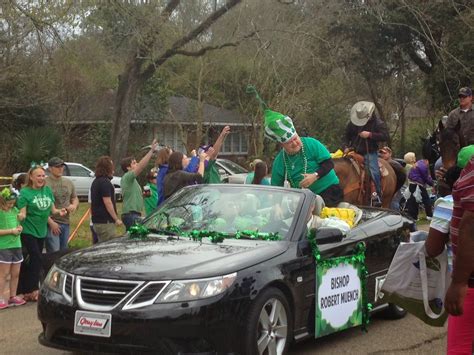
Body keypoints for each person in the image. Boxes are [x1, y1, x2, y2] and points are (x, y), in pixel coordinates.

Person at [425, 144, 474, 354]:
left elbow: (471, 225)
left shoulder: (448, 202)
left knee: (459, 347)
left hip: (471, 281)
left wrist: (459, 281)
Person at [16, 164, 66, 302]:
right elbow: (23, 212)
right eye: (38, 176)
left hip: (41, 231)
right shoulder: (25, 193)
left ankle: (28, 288)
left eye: (43, 176)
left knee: (35, 260)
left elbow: (53, 210)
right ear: (31, 177)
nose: (41, 178)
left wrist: (59, 212)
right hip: (28, 230)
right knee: (36, 257)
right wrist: (20, 216)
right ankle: (33, 289)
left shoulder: (47, 191)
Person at [343, 101, 390, 205]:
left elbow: (385, 136)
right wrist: (345, 146)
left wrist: (370, 135)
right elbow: (346, 136)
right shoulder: (352, 123)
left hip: (369, 152)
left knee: (374, 170)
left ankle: (376, 195)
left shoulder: (378, 123)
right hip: (353, 150)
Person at [120, 139, 159, 230]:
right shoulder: (127, 177)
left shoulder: (132, 180)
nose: (137, 164)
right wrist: (151, 151)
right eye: (134, 163)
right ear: (128, 168)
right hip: (131, 215)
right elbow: (141, 166)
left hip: (133, 214)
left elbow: (132, 196)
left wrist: (143, 195)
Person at [45, 157, 79, 252]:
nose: (61, 169)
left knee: (64, 252)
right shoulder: (45, 183)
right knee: (54, 252)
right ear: (50, 168)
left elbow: (74, 197)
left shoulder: (68, 182)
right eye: (57, 167)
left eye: (62, 166)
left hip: (65, 222)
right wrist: (51, 223)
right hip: (51, 222)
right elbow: (41, 206)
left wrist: (74, 205)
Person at [0, 187, 26, 309]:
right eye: (9, 203)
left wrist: (19, 228)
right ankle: (0, 298)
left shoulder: (15, 210)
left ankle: (12, 296)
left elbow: (18, 225)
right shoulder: (1, 212)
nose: (11, 205)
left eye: (13, 203)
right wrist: (11, 231)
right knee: (4, 274)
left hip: (17, 245)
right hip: (5, 247)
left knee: (15, 273)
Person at [90, 156, 123, 242]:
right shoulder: (105, 183)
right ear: (108, 168)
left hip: (97, 222)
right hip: (105, 222)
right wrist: (116, 219)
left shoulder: (95, 181)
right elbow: (108, 202)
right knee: (109, 246)